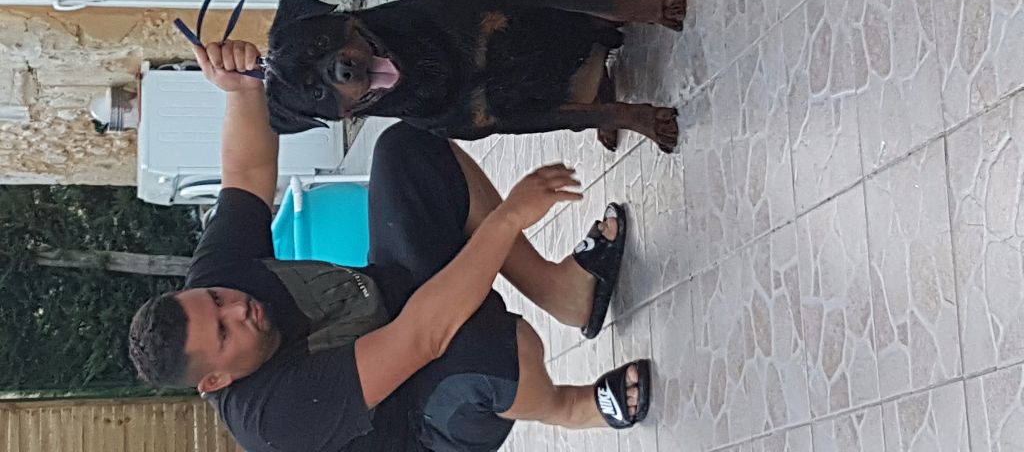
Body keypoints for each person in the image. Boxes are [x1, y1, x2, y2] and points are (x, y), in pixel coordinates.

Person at [128, 40, 652, 452]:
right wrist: (509, 217)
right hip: (424, 424)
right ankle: (573, 407)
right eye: (224, 331)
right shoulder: (273, 417)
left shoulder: (219, 280)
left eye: (217, 300)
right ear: (214, 380)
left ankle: (562, 291)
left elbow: (246, 175)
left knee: (408, 148)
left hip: (393, 305)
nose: (238, 307)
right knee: (488, 350)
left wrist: (243, 90)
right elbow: (423, 337)